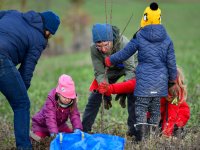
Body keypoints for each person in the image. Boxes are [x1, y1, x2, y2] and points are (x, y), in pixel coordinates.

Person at [104, 2, 178, 141]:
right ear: (159, 19)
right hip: (160, 81)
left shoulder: (139, 36)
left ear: (144, 18)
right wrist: (173, 81)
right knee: (155, 108)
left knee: (141, 109)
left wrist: (110, 60)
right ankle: (153, 137)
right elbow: (171, 62)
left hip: (144, 82)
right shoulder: (167, 39)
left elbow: (125, 53)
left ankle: (142, 138)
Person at [0, 10, 60, 149]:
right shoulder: (38, 39)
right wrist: (19, 92)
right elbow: (26, 72)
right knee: (22, 103)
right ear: (47, 31)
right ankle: (24, 147)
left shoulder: (13, 13)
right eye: (50, 34)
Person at [98, 67, 190, 138]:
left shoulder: (175, 92)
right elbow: (127, 85)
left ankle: (177, 130)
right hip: (157, 115)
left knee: (172, 129)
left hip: (177, 114)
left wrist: (166, 133)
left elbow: (171, 114)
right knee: (143, 132)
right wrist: (109, 88)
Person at [82, 23, 137, 135]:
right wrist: (105, 91)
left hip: (130, 67)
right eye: (99, 46)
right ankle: (84, 130)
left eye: (106, 45)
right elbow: (100, 72)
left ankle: (133, 131)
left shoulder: (124, 43)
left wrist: (123, 90)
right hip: (111, 69)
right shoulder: (94, 49)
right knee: (95, 94)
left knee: (134, 93)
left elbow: (130, 70)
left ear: (111, 40)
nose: (103, 49)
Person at [30, 74, 83, 142]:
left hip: (60, 126)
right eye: (64, 97)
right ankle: (37, 134)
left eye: (69, 97)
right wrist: (54, 134)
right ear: (58, 94)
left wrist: (77, 129)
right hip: (42, 126)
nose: (67, 99)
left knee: (70, 138)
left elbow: (74, 115)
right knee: (39, 140)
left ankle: (55, 133)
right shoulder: (51, 100)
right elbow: (50, 118)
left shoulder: (72, 102)